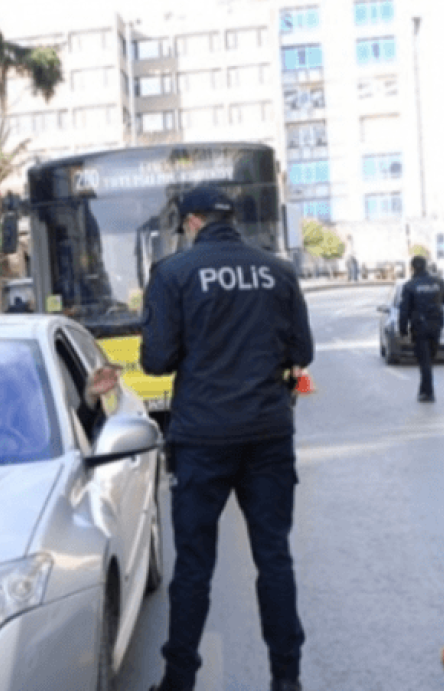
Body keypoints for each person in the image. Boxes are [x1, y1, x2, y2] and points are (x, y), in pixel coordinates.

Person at [141, 185, 313, 691]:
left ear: (191, 222)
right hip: (268, 434)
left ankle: (178, 682)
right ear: (229, 219)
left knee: (194, 567)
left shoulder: (173, 273)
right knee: (274, 559)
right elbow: (303, 351)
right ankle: (287, 680)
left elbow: (156, 360)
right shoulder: (279, 271)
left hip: (202, 438)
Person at [399, 255, 444, 403]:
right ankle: (424, 390)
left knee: (424, 361)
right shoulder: (438, 282)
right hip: (436, 326)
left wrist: (403, 330)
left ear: (412, 268)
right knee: (429, 359)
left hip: (420, 328)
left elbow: (404, 310)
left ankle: (428, 393)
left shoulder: (410, 285)